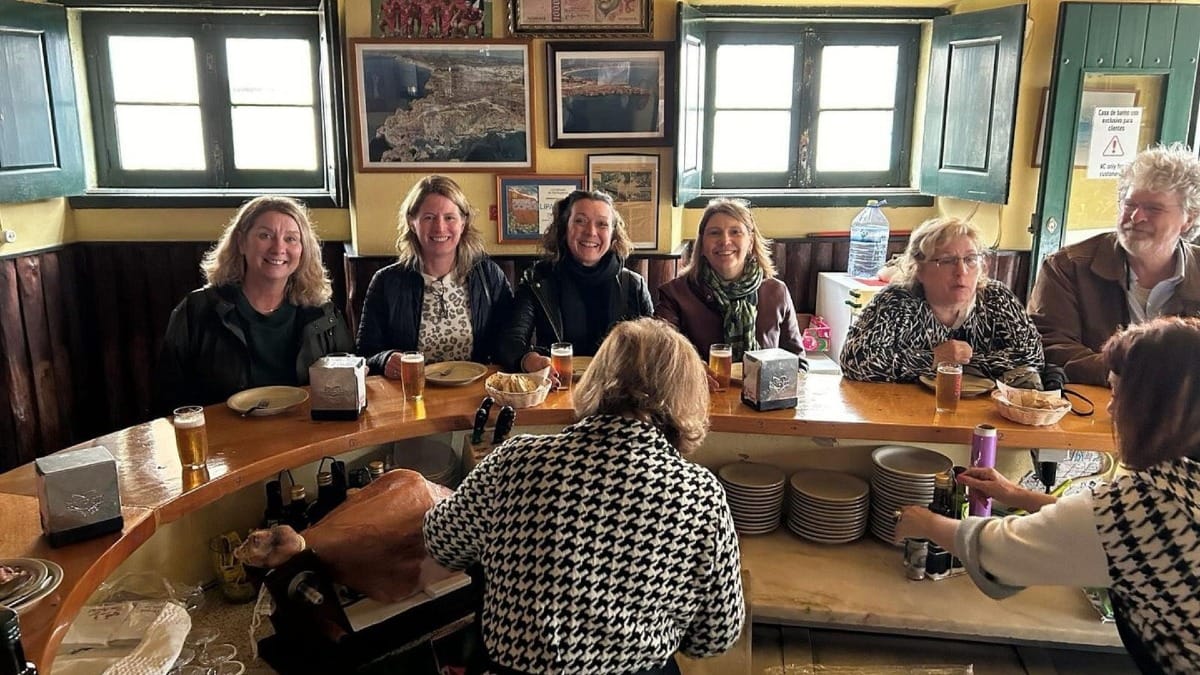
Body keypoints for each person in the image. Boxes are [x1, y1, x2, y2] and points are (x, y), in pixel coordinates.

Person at [425, 318, 745, 674]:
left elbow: (441, 543)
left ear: (595, 378)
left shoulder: (514, 460)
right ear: (686, 396)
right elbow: (716, 635)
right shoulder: (698, 495)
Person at [894, 316, 1200, 675]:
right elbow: (1107, 527)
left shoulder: (1147, 504)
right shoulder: (1177, 483)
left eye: (1118, 396)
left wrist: (925, 522)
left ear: (1155, 409)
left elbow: (999, 550)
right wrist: (1017, 495)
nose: (1111, 410)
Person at [156, 196, 353, 414]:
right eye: (265, 235)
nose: (278, 248)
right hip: (222, 441)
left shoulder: (324, 313)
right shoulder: (197, 310)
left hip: (306, 438)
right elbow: (168, 400)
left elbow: (347, 385)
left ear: (303, 250)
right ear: (241, 242)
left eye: (291, 239)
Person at [1028, 142, 1200, 386]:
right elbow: (1047, 346)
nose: (1136, 217)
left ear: (1188, 218)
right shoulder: (1068, 267)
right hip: (1089, 414)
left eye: (1153, 208)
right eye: (1129, 204)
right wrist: (1135, 373)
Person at [840, 216, 1044, 382]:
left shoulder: (996, 298)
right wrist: (933, 358)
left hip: (985, 414)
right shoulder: (896, 301)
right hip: (905, 412)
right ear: (919, 269)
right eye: (947, 261)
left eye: (971, 259)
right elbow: (855, 361)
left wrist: (962, 363)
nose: (961, 271)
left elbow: (1031, 356)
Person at [356, 176, 513, 375]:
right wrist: (385, 359)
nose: (439, 227)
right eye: (429, 217)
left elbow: (511, 340)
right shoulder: (386, 282)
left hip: (476, 393)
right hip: (412, 395)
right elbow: (365, 353)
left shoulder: (489, 276)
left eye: (449, 217)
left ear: (463, 223)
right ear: (412, 223)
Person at [496, 189, 653, 373]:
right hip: (556, 386)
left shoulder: (634, 285)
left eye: (602, 224)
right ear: (564, 228)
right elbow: (511, 340)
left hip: (614, 390)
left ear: (613, 235)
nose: (591, 231)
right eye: (580, 221)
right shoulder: (538, 279)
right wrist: (529, 361)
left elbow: (652, 348)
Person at [655, 198, 803, 360]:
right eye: (714, 233)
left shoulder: (776, 291)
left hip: (765, 385)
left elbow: (798, 361)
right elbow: (663, 357)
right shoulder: (675, 294)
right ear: (702, 244)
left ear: (750, 241)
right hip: (699, 384)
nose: (725, 241)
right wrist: (698, 370)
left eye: (735, 232)